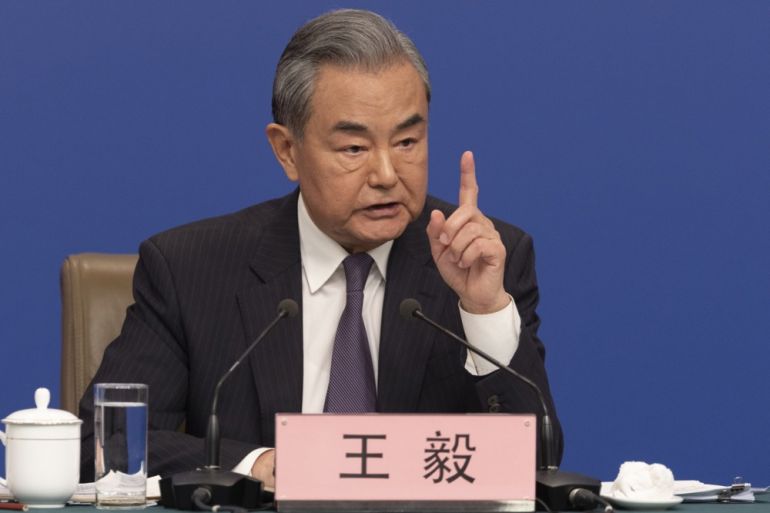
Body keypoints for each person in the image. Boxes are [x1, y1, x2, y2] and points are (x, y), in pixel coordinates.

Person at [79, 9, 563, 488]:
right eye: (354, 149)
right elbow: (103, 443)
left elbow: (537, 466)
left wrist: (483, 312)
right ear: (287, 151)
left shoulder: (482, 260)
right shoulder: (189, 269)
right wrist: (257, 464)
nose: (387, 175)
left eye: (407, 141)